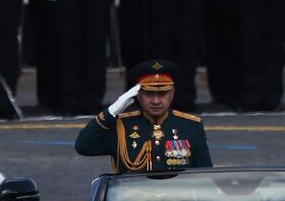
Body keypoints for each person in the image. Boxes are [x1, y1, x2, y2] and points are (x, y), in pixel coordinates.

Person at [75, 59, 212, 172]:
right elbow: (84, 146)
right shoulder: (121, 126)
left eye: (162, 94)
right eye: (149, 94)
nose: (156, 101)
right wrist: (111, 112)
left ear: (172, 93)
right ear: (137, 95)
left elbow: (205, 175)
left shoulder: (191, 126)